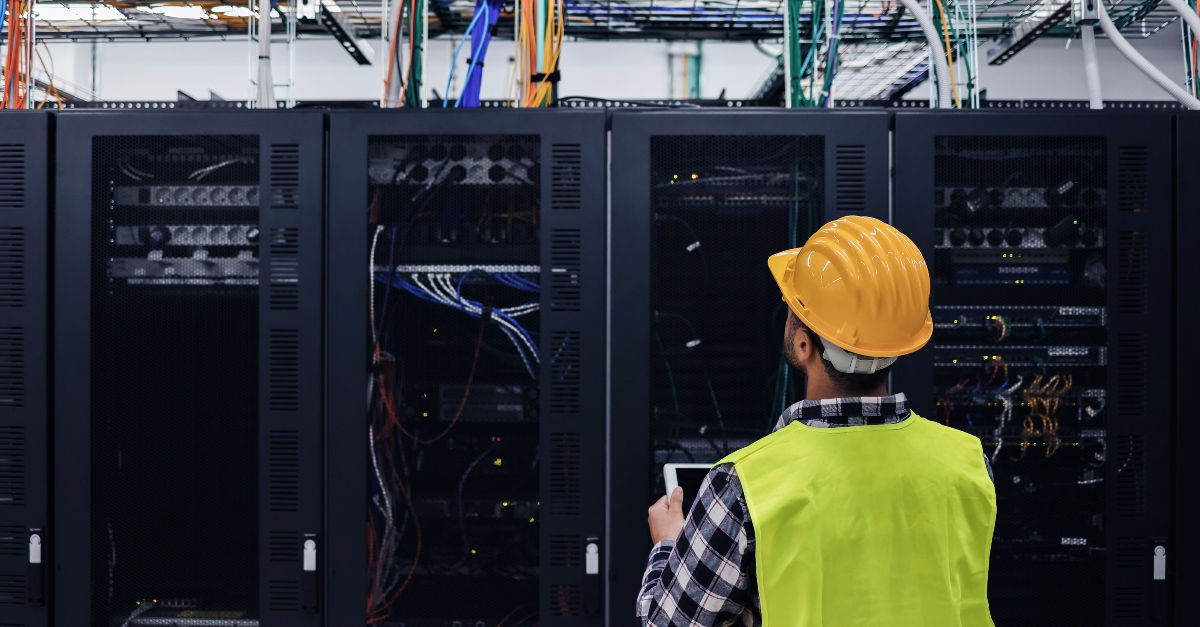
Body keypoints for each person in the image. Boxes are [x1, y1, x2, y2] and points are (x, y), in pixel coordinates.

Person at [638, 216, 997, 627]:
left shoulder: (743, 486)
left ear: (804, 343)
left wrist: (669, 543)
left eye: (794, 309)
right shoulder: (969, 462)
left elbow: (664, 622)